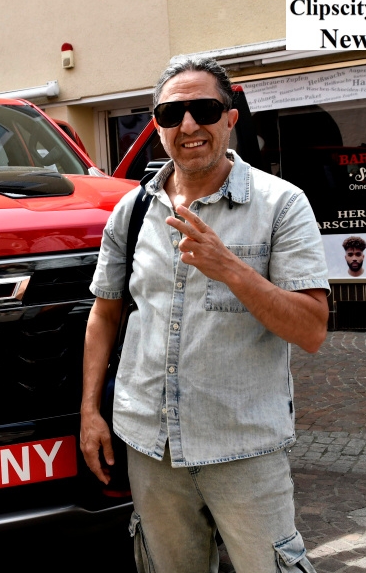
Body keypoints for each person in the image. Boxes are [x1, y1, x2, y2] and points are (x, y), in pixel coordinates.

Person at [80, 55, 329, 573]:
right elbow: (104, 314)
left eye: (205, 110)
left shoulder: (281, 205)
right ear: (157, 126)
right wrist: (90, 412)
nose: (189, 125)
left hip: (243, 447)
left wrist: (231, 268)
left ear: (230, 118)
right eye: (172, 114)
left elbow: (311, 330)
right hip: (150, 446)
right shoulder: (131, 211)